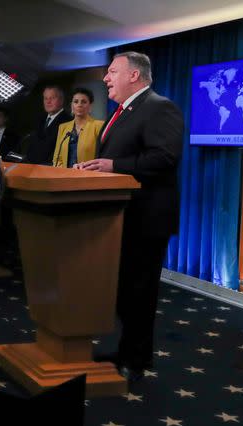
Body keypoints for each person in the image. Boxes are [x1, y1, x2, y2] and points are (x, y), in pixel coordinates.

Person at [75, 51, 183, 382]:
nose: (106, 78)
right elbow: (115, 156)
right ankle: (127, 350)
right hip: (122, 217)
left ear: (133, 76)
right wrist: (94, 168)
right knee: (123, 291)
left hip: (146, 219)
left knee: (139, 292)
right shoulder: (124, 111)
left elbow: (164, 157)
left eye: (112, 72)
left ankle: (136, 359)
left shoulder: (159, 107)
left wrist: (113, 166)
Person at [52, 88, 104, 168]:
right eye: (76, 102)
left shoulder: (99, 126)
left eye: (84, 102)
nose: (79, 105)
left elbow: (102, 156)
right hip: (65, 176)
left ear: (90, 105)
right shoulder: (63, 127)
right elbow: (57, 158)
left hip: (88, 175)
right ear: (71, 105)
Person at [26, 86, 72, 165]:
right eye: (46, 98)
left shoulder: (68, 121)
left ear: (61, 100)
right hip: (31, 167)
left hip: (51, 169)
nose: (48, 102)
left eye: (52, 98)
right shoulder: (39, 119)